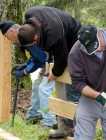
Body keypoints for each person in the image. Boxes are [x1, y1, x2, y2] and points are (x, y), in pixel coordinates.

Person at [17, 6, 81, 139]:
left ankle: (70, 125)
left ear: (36, 36)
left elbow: (61, 60)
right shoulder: (30, 14)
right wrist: (47, 48)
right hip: (59, 33)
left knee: (70, 80)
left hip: (75, 39)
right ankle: (67, 119)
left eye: (32, 44)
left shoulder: (55, 36)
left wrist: (54, 74)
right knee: (61, 85)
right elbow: (46, 39)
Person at [0, 21, 56, 129]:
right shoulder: (24, 37)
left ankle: (50, 122)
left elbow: (39, 60)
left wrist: (25, 72)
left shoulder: (25, 37)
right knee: (36, 87)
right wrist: (25, 64)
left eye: (7, 36)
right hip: (46, 63)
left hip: (54, 64)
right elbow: (35, 56)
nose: (8, 39)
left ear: (12, 31)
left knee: (43, 89)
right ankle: (33, 115)